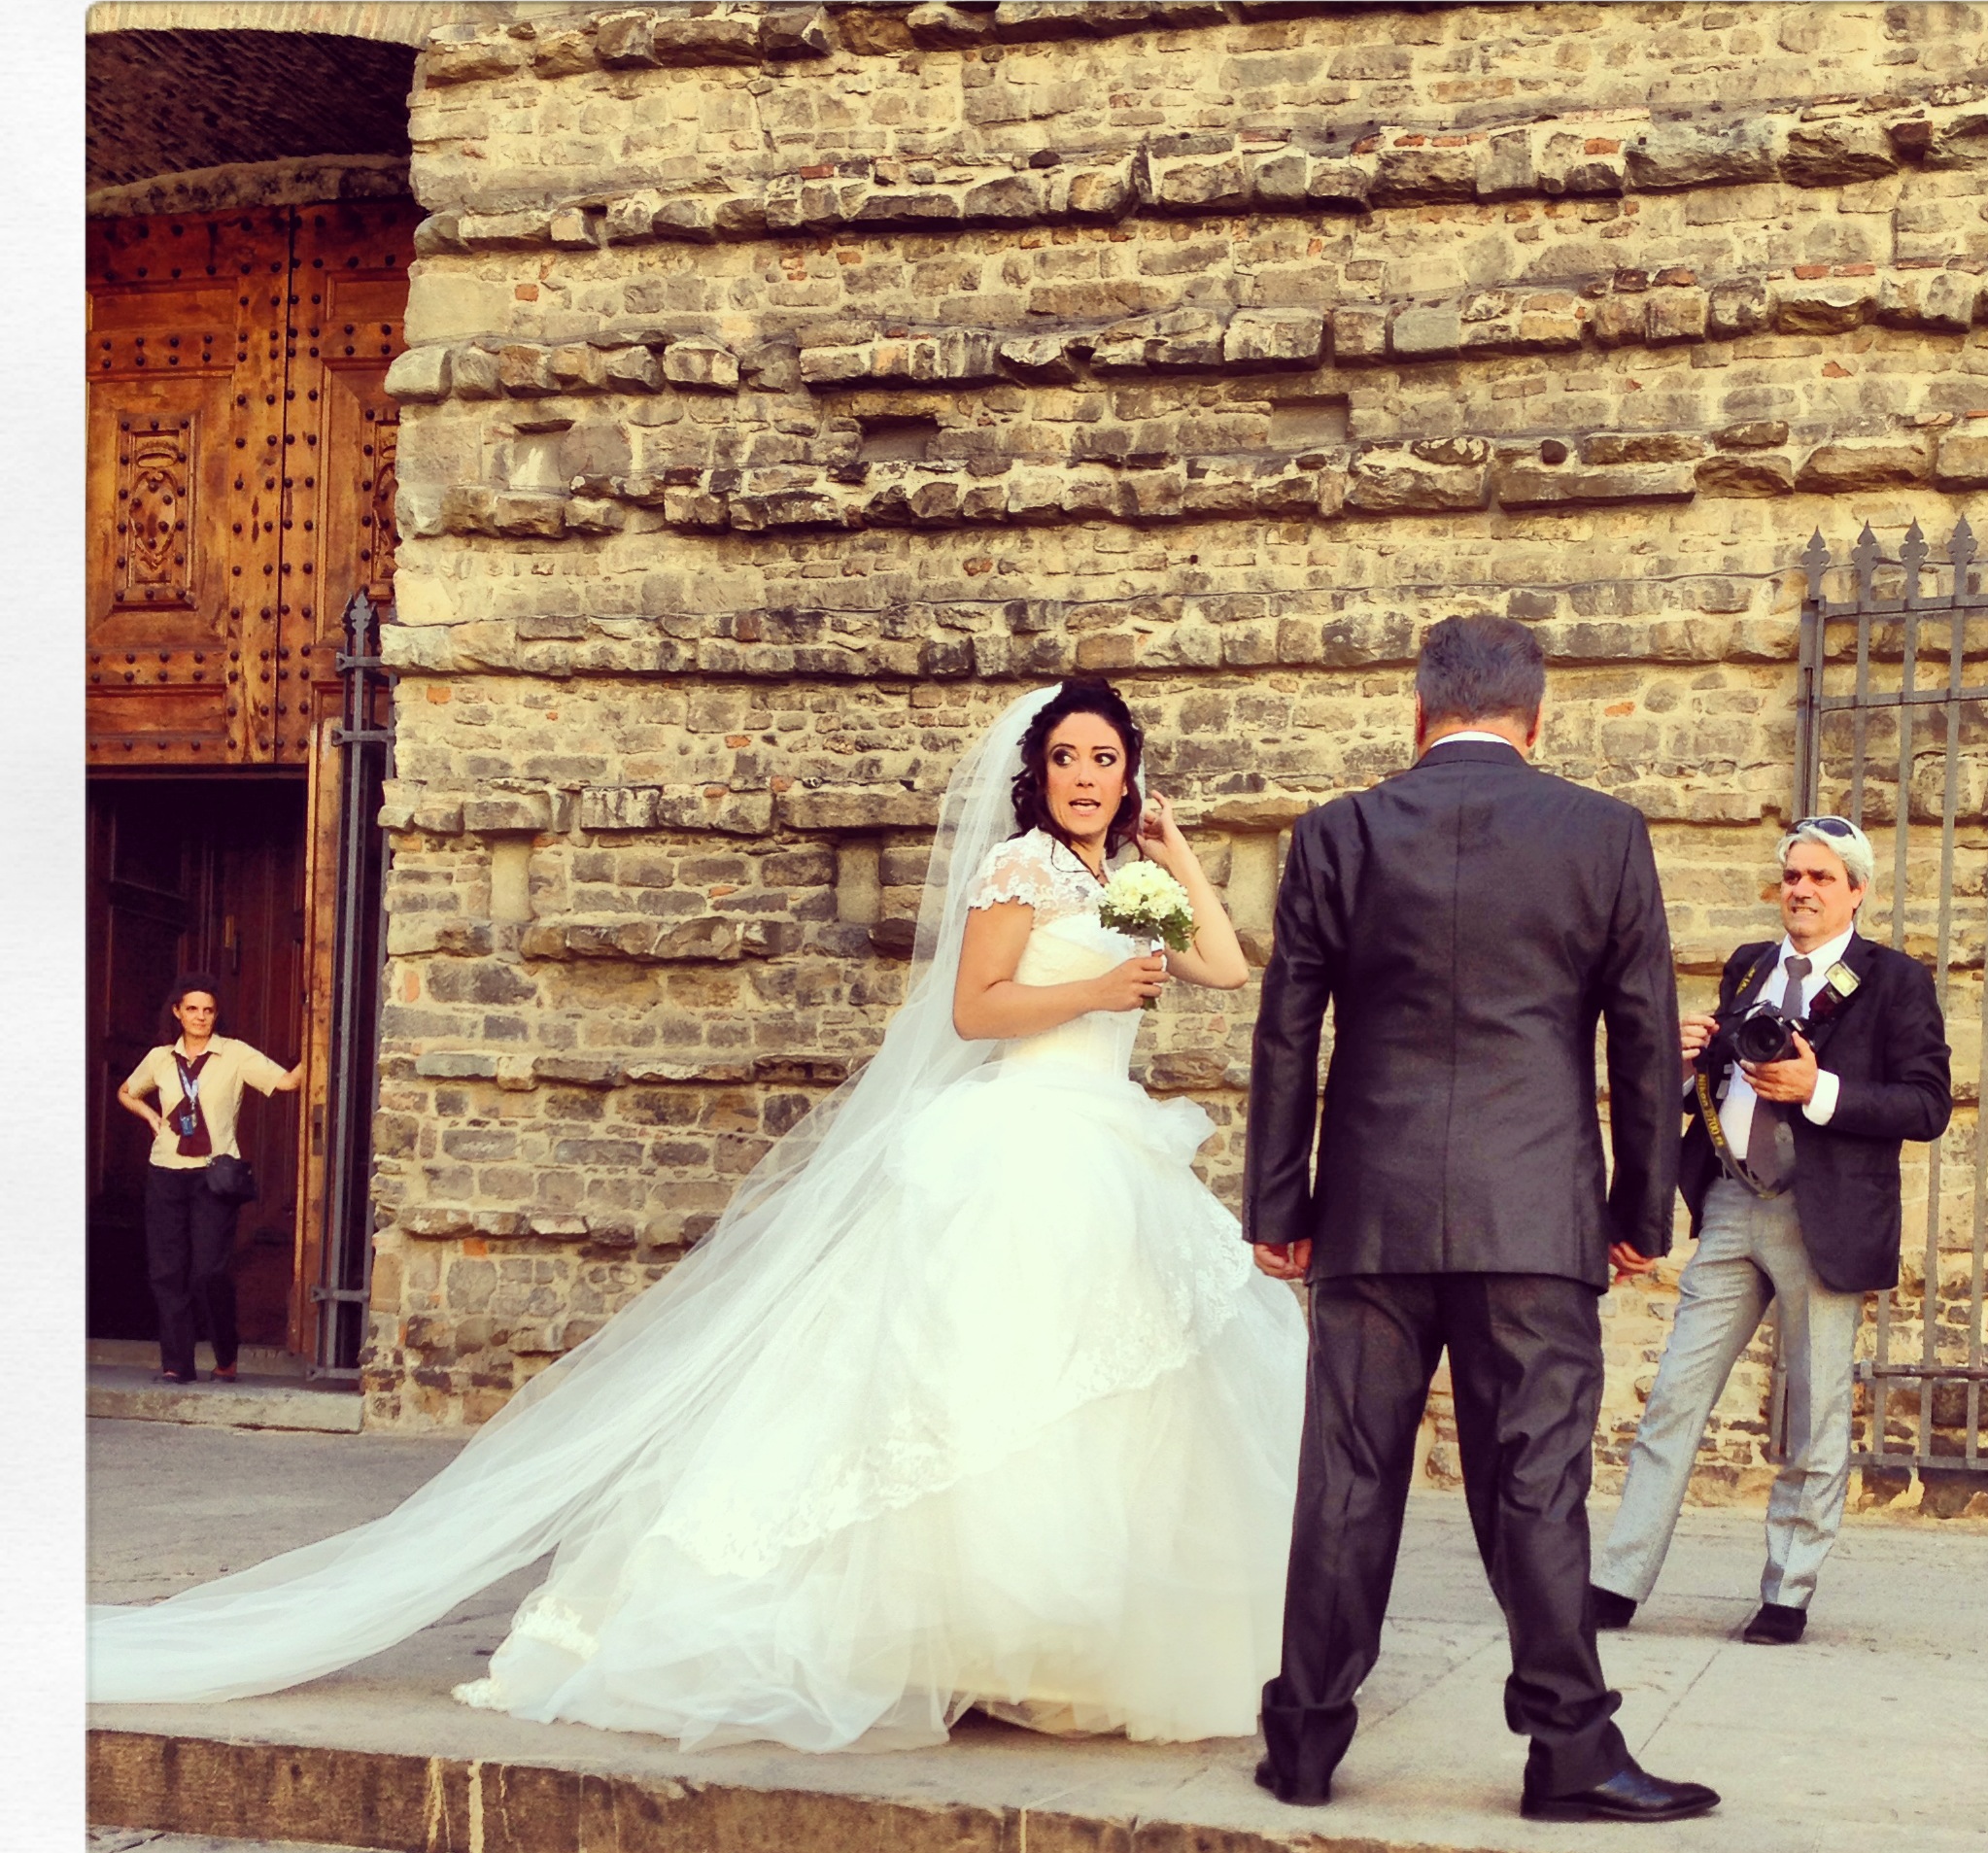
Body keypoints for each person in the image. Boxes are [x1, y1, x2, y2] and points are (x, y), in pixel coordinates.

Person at [91, 681, 1307, 1754]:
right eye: (1068, 759)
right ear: (1037, 774)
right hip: (1023, 1144)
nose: (1086, 778)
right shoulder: (1022, 871)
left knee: (1096, 1394)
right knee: (982, 1388)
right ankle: (952, 1639)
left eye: (1106, 760)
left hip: (1110, 1149)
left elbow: (1221, 967)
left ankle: (1054, 1653)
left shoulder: (1121, 879)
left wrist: (1175, 851)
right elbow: (975, 1013)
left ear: (1129, 775)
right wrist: (1096, 986)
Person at [1244, 612, 1720, 1825]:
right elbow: (1645, 1037)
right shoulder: (1603, 834)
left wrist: (1280, 1204)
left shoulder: (1337, 833)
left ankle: (1303, 1745)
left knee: (1348, 1477)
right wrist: (1639, 1209)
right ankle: (1569, 1753)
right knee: (1537, 1485)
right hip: (1534, 1216)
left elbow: (1288, 1030)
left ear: (1417, 713)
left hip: (1372, 1214)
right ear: (1536, 720)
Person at [1588, 816, 1953, 1647]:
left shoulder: (1895, 981)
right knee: (1674, 1399)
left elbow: (1927, 1104)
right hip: (1730, 1204)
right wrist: (1687, 1066)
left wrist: (1819, 1089)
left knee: (1816, 1416)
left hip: (1822, 1219)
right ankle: (1617, 1582)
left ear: (1856, 892)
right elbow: (1720, 1083)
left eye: (1821, 878)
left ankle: (1787, 1593)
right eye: (1793, 876)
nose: (1802, 890)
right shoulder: (1751, 965)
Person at [116, 974, 303, 1385]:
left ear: (216, 1014)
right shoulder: (160, 1058)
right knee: (167, 1272)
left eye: (208, 1010)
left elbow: (288, 1082)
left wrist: (323, 1044)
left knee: (208, 1272)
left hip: (215, 1176)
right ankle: (177, 1364)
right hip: (166, 1172)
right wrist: (150, 1116)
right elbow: (126, 1091)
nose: (200, 1017)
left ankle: (226, 1356)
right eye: (192, 1009)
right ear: (178, 1012)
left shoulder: (234, 1053)